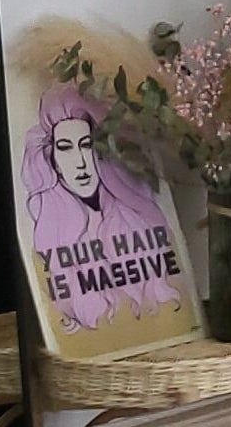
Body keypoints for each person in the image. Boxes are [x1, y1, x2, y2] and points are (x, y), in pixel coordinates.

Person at [19, 84, 185, 335]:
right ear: (52, 158)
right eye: (66, 148)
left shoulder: (142, 221)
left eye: (87, 146)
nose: (81, 163)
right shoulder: (46, 246)